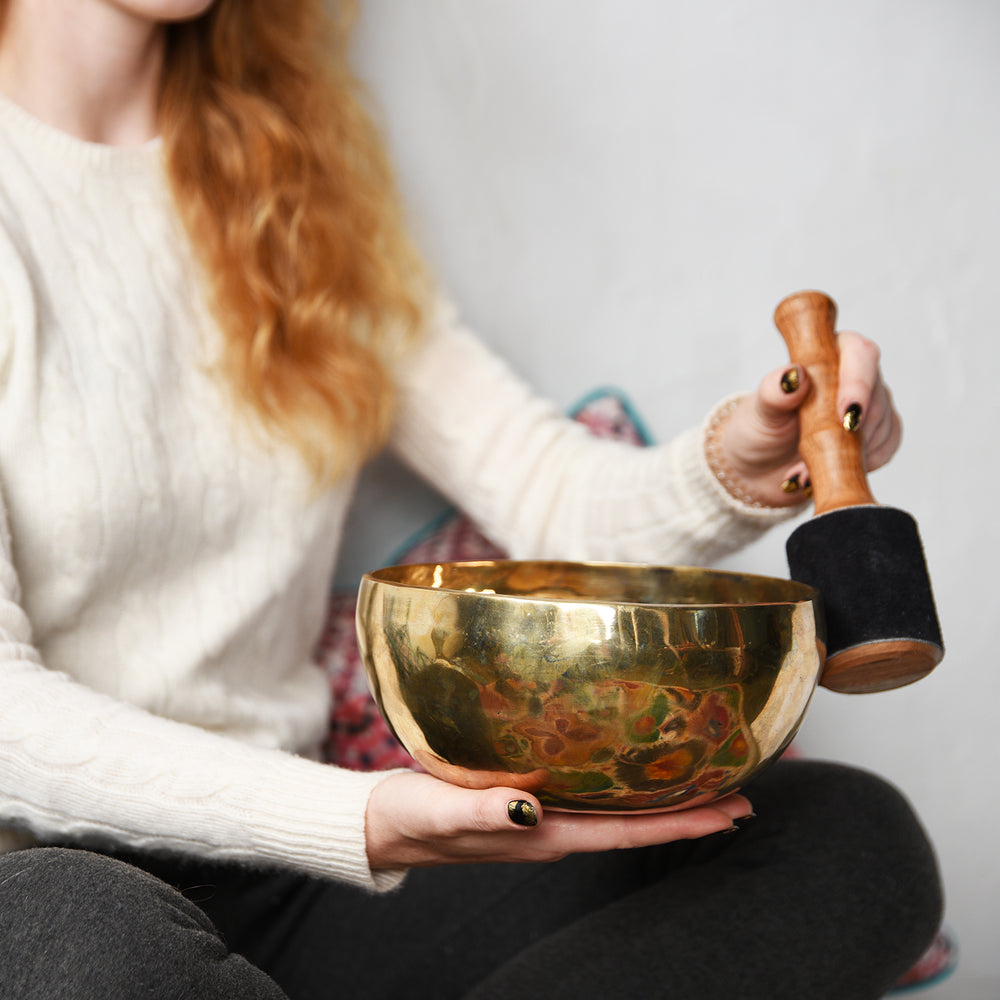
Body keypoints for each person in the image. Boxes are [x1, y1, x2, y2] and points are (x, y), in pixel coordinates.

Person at [0, 1, 941, 998]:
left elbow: (547, 492)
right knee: (81, 933)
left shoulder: (281, 181)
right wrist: (357, 818)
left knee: (849, 839)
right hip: (63, 880)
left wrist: (737, 466)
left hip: (302, 886)